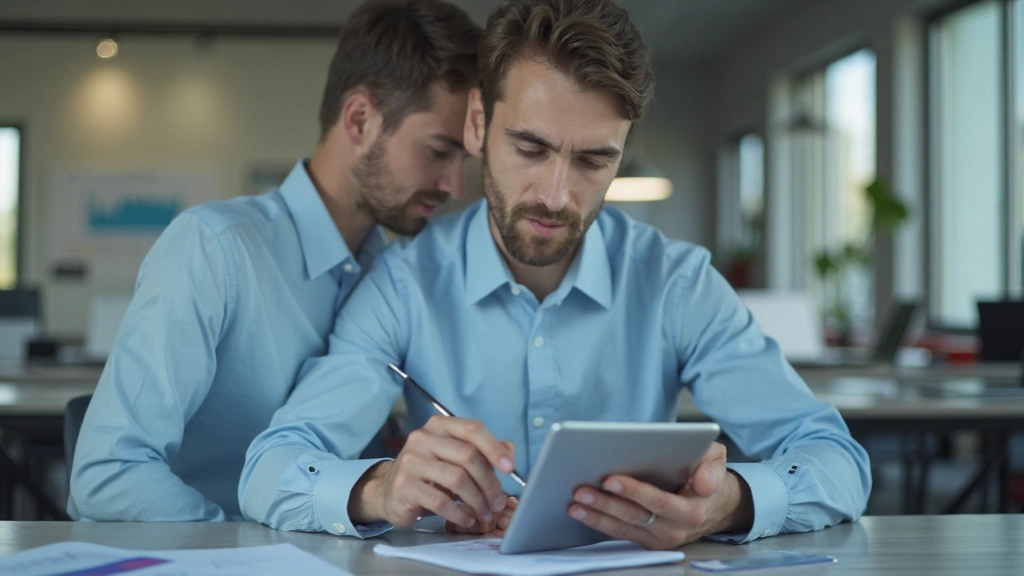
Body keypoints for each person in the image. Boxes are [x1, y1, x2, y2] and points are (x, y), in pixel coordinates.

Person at [240, 0, 871, 547]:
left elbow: (838, 460)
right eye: (530, 149)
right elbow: (270, 467)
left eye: (595, 160)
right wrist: (382, 487)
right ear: (479, 124)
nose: (556, 195)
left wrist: (728, 502)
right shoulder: (402, 285)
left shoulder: (676, 283)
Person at [68, 0, 481, 522]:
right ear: (360, 119)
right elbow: (108, 474)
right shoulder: (214, 249)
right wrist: (246, 551)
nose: (454, 185)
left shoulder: (396, 280)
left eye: (464, 159)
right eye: (439, 150)